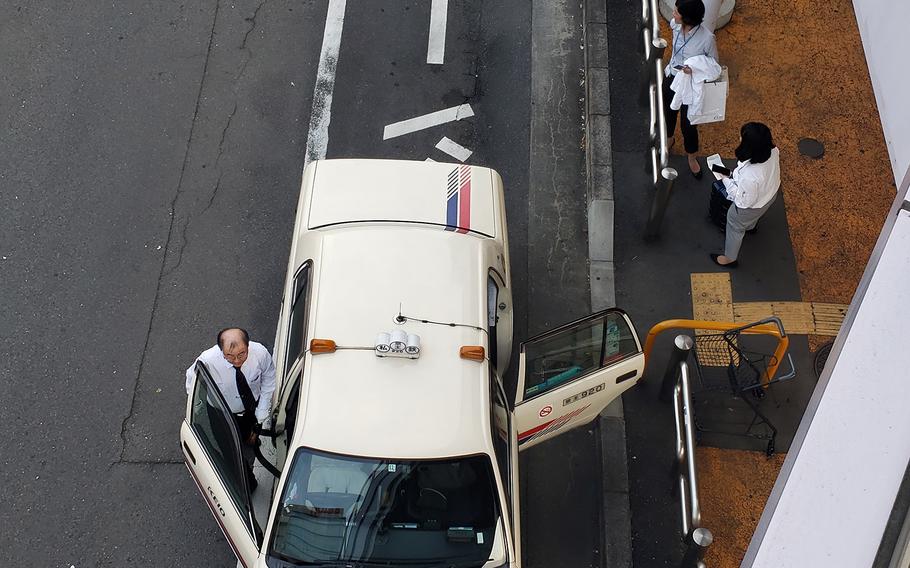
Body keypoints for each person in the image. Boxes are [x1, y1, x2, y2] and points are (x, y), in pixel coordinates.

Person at [185, 327, 276, 489]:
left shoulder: (260, 354)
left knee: (249, 429)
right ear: (221, 351)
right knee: (231, 451)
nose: (236, 360)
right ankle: (248, 484)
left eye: (242, 354)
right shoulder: (207, 360)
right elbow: (192, 380)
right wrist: (197, 405)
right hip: (222, 413)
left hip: (250, 408)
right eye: (229, 356)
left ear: (248, 345)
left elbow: (269, 378)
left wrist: (262, 410)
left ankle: (248, 436)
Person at [710, 122, 781, 267]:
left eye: (742, 137)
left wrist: (725, 179)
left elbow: (742, 202)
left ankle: (730, 258)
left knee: (734, 225)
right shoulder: (774, 151)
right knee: (752, 218)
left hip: (750, 207)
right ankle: (751, 227)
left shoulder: (751, 175)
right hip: (769, 195)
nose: (739, 138)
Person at [664, 0, 719, 179]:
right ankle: (669, 139)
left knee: (689, 124)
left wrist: (694, 69)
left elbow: (714, 64)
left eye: (677, 12)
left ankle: (692, 157)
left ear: (687, 18)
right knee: (668, 113)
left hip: (690, 85)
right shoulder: (675, 25)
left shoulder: (707, 38)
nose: (673, 14)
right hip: (672, 76)